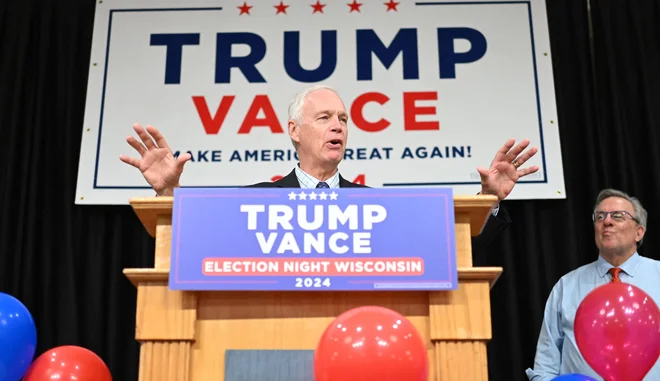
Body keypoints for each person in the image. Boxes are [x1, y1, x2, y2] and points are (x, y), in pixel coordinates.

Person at [120, 84, 539, 253]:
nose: (337, 125)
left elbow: (454, 254)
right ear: (294, 131)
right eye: (323, 118)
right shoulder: (254, 201)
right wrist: (166, 197)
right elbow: (193, 248)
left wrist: (489, 200)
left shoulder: (379, 207)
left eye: (342, 119)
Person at [526, 189, 660, 381]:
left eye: (618, 216)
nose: (606, 222)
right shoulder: (567, 285)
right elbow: (547, 359)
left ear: (639, 232)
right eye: (600, 217)